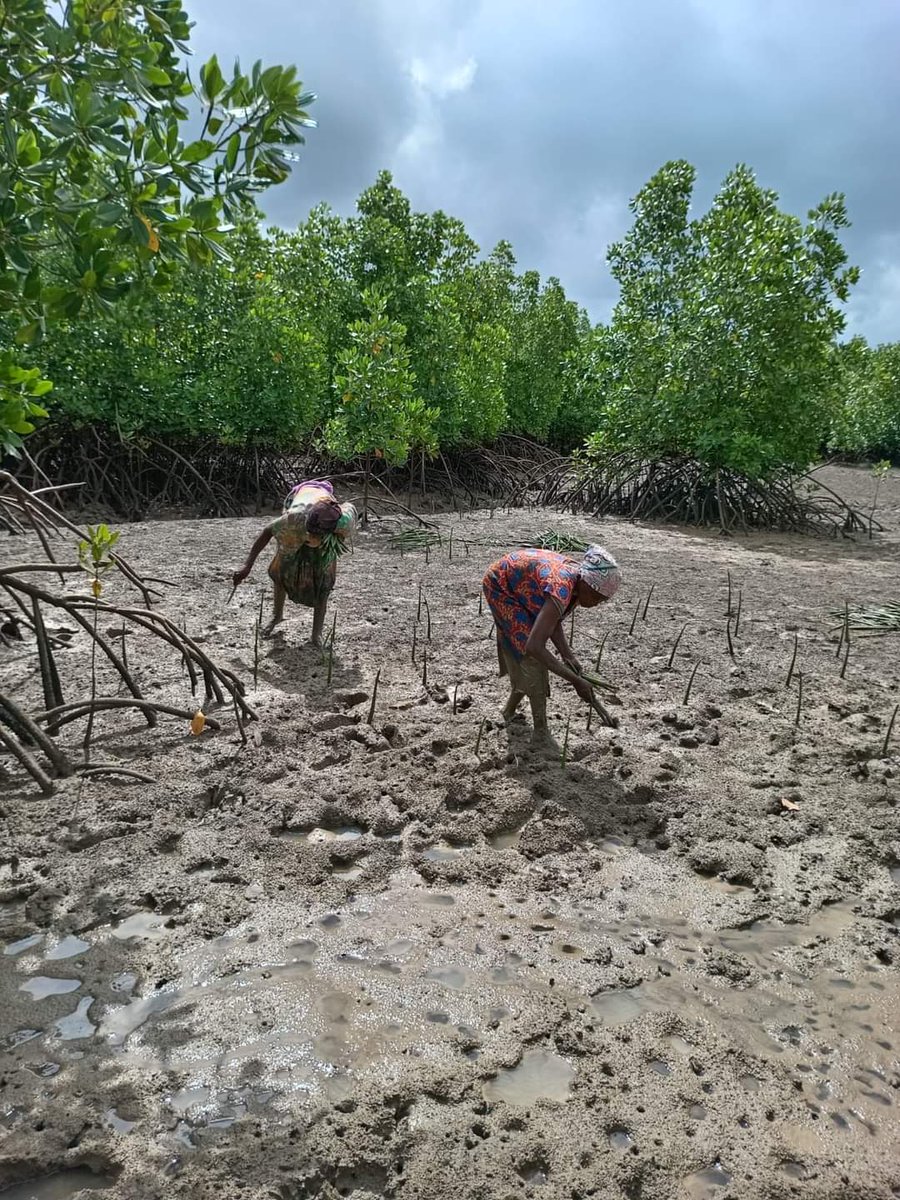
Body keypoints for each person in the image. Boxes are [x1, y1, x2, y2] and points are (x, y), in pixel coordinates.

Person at [482, 544, 622, 747]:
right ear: (588, 585)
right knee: (529, 659)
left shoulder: (576, 583)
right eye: (596, 597)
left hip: (520, 581)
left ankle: (509, 711)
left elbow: (552, 620)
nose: (595, 604)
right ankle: (540, 732)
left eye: (601, 601)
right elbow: (534, 647)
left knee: (529, 653)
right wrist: (576, 681)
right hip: (501, 585)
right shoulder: (562, 586)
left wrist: (568, 656)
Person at [231, 480, 358, 642]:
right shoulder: (294, 520)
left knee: (323, 581)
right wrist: (247, 566)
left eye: (316, 535)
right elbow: (267, 531)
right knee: (281, 570)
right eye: (310, 533)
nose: (311, 537)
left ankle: (316, 634)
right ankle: (277, 616)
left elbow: (351, 509)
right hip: (300, 501)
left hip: (324, 508)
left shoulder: (343, 522)